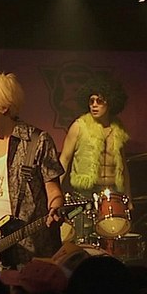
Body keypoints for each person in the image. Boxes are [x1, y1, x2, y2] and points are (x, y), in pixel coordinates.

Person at [0, 71, 66, 271]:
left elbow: (54, 191)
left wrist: (56, 209)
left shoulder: (38, 141)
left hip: (30, 250)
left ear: (3, 107)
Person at [58, 74, 132, 243]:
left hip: (113, 193)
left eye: (99, 101)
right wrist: (54, 194)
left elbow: (123, 167)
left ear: (110, 102)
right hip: (84, 194)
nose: (94, 105)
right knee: (82, 239)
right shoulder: (79, 126)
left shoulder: (118, 129)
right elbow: (64, 160)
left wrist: (128, 197)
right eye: (91, 101)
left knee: (112, 240)